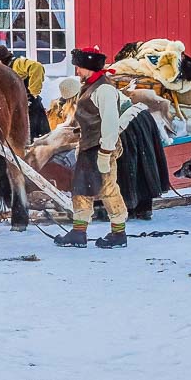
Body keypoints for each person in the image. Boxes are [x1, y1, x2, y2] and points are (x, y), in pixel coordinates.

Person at [54, 46, 131, 249]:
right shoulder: (89, 86)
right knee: (81, 189)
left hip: (101, 148)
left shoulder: (104, 89)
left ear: (88, 67)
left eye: (79, 67)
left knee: (107, 188)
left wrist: (105, 152)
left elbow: (110, 123)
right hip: (88, 147)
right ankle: (79, 232)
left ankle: (119, 233)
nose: (77, 71)